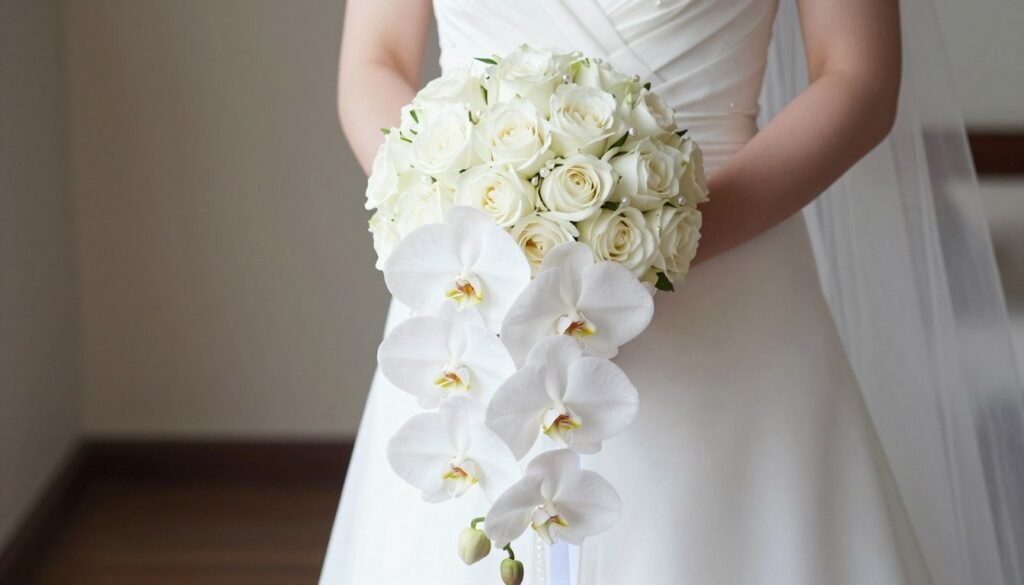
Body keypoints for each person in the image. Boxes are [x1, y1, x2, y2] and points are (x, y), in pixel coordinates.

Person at [321, 1, 1024, 583]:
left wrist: (666, 236)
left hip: (729, 276)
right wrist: (452, 212)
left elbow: (859, 78)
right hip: (476, 290)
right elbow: (373, 60)